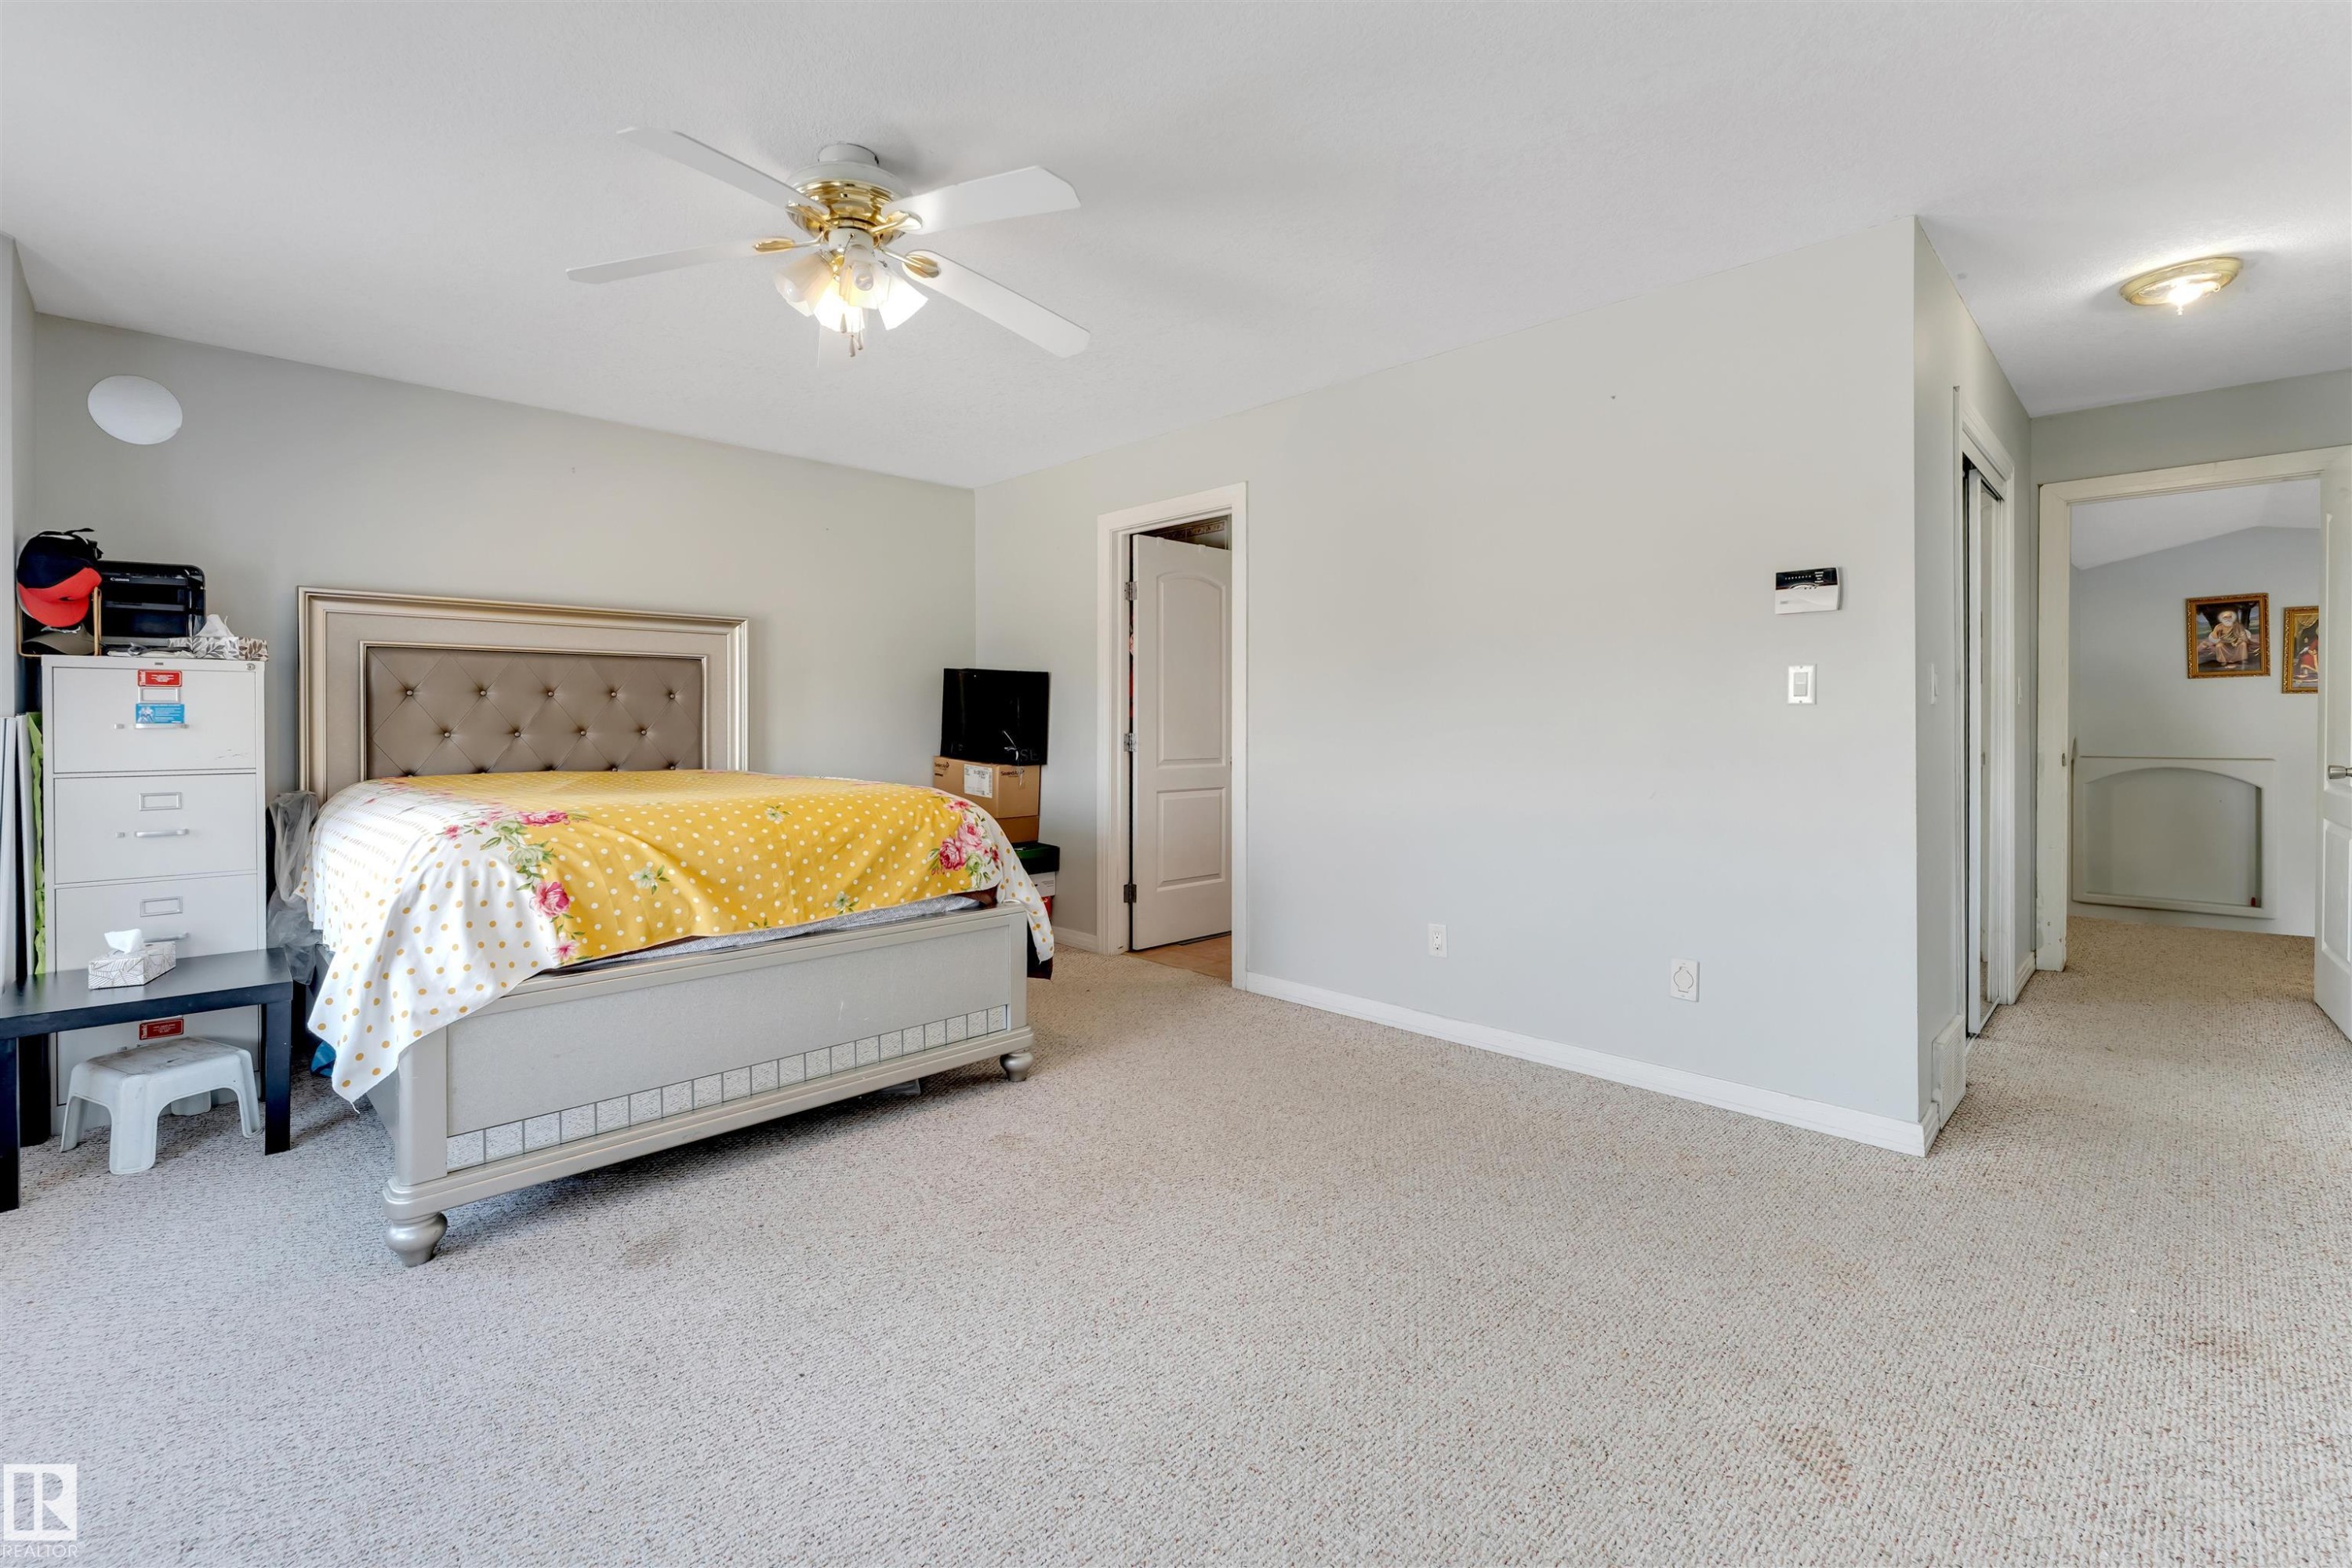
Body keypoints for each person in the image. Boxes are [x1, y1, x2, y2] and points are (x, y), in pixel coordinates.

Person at [2198, 605, 2258, 670]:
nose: (2228, 619)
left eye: (2229, 617)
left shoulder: (2238, 625)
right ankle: (2223, 661)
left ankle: (2241, 660)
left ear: (2232, 618)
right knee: (2219, 646)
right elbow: (2214, 637)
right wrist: (2216, 633)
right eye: (2226, 617)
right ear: (2222, 619)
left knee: (2243, 644)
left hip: (2236, 642)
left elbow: (2243, 635)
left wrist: (2238, 641)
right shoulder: (2219, 626)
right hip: (2224, 642)